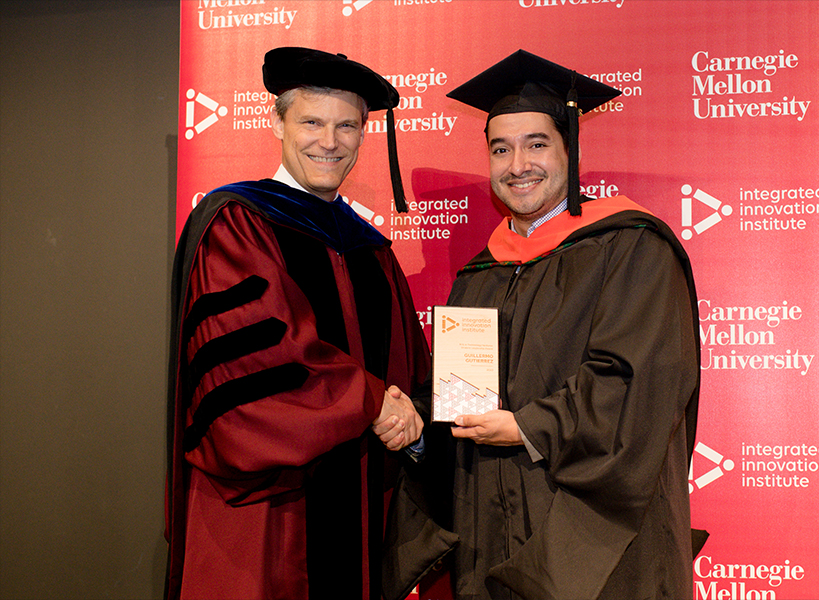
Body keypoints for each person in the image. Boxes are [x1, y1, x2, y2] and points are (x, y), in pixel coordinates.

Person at [384, 50, 703, 600]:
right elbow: (462, 398)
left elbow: (634, 387)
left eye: (536, 144)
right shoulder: (481, 273)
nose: (517, 165)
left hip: (594, 550)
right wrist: (416, 425)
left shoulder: (632, 250)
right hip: (492, 540)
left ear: (569, 149)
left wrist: (527, 426)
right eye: (500, 149)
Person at [165, 47, 431, 600]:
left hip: (360, 511)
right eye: (311, 121)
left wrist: (415, 413)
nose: (329, 142)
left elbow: (410, 373)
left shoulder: (372, 249)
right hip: (273, 511)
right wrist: (373, 400)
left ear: (363, 134)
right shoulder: (237, 223)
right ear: (276, 121)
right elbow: (260, 365)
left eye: (347, 126)